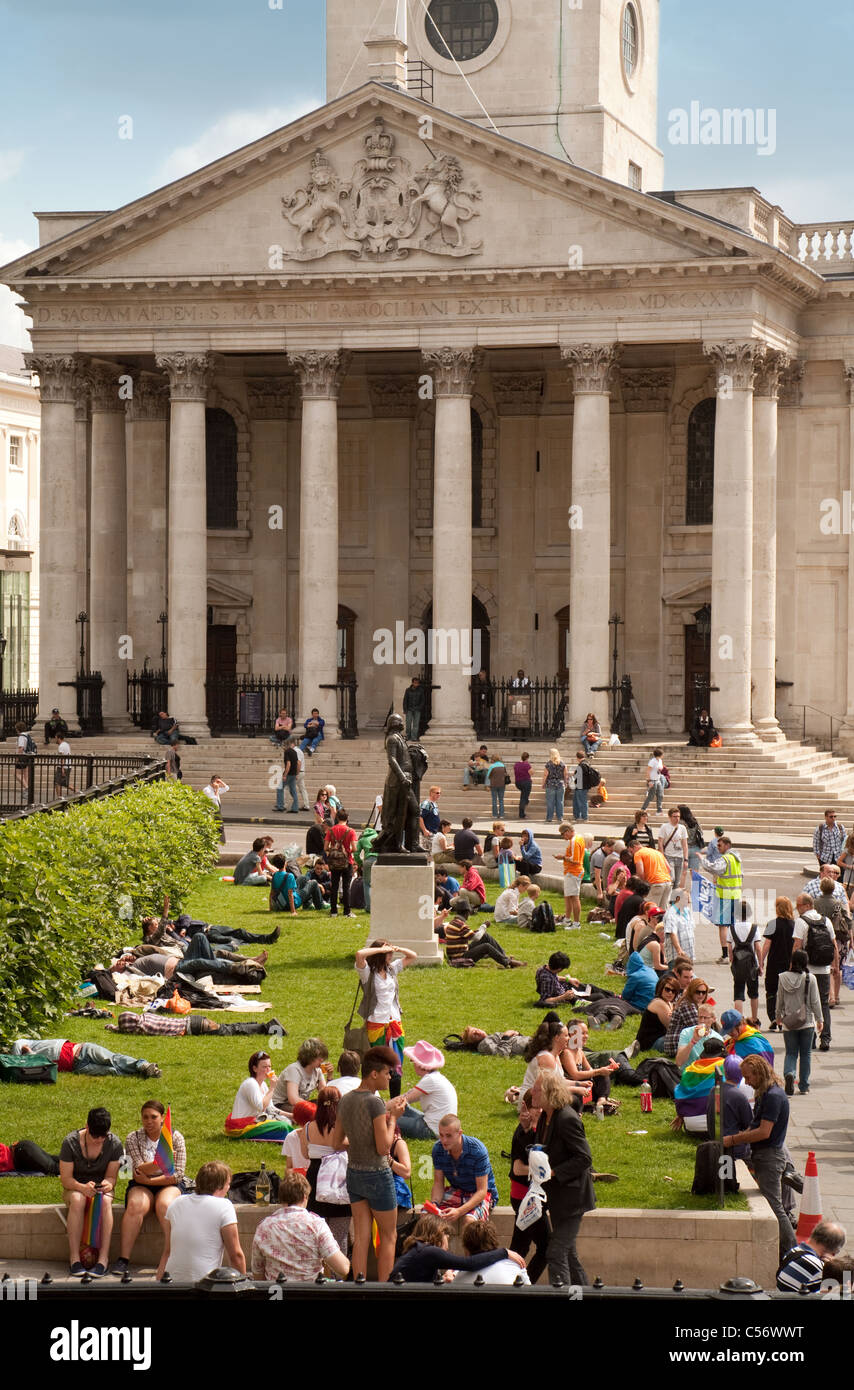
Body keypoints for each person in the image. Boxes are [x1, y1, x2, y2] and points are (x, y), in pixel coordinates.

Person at [331, 1045, 405, 1282]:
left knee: (361, 1238)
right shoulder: (375, 1103)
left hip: (354, 1174)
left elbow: (336, 1142)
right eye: (387, 1073)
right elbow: (384, 1148)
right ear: (374, 1073)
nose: (390, 1077)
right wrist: (393, 1118)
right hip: (377, 1175)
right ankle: (384, 1289)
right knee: (389, 1236)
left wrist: (358, 1144)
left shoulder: (345, 1100)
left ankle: (359, 1286)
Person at [722, 1055, 797, 1259]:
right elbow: (756, 1126)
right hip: (765, 1154)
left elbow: (764, 1132)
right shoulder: (766, 1093)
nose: (745, 1081)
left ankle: (792, 1251)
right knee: (773, 1204)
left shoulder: (773, 1096)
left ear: (759, 1073)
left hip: (770, 1157)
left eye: (747, 1077)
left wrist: (734, 1140)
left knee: (775, 1206)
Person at [531, 1070, 595, 1286]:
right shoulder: (545, 1118)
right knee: (568, 1254)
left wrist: (554, 1171)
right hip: (557, 1198)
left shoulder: (567, 1119)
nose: (533, 1092)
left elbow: (584, 1158)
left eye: (537, 1089)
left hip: (573, 1199)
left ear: (550, 1092)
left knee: (556, 1252)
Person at [110, 1100, 187, 1276]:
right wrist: (162, 1162)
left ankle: (171, 1255)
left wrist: (150, 1177)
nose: (149, 1121)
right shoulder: (133, 1137)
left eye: (153, 1117)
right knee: (136, 1205)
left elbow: (177, 1175)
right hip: (139, 1184)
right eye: (145, 1117)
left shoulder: (175, 1138)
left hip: (168, 1184)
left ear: (162, 1119)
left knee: (165, 1206)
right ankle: (123, 1259)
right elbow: (135, 1169)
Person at [251, 1169, 350, 1282]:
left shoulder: (264, 1227)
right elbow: (343, 1268)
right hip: (308, 1294)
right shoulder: (316, 1225)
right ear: (305, 1197)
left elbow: (258, 1273)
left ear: (281, 1197)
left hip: (277, 1295)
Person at [60, 1107, 124, 1276]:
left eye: (102, 1136)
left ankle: (103, 1259)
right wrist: (82, 1187)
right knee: (78, 1199)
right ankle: (74, 1258)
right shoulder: (70, 1142)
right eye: (94, 1136)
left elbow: (112, 1177)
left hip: (100, 1192)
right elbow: (66, 1179)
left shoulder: (114, 1144)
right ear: (86, 1127)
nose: (98, 1140)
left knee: (105, 1201)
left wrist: (107, 1185)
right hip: (75, 1188)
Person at [159, 1161, 245, 1283]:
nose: (229, 1188)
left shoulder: (176, 1203)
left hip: (171, 1282)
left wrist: (157, 1286)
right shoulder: (224, 1206)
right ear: (220, 1186)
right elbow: (236, 1256)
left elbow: (167, 1252)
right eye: (228, 1184)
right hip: (205, 1286)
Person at [355, 940, 417, 1098]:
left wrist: (397, 947)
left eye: (391, 952)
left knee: (396, 1066)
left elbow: (412, 956)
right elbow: (360, 954)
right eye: (388, 953)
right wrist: (378, 950)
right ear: (379, 954)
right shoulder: (367, 972)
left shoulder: (391, 970)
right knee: (378, 1067)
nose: (391, 955)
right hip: (376, 1024)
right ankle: (374, 1099)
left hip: (394, 1023)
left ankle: (395, 1101)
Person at [390, 1212, 525, 1283]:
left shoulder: (419, 1251)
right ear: (438, 1234)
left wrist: (443, 1279)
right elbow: (469, 1263)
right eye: (446, 1234)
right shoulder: (428, 1251)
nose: (447, 1238)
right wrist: (504, 1252)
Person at [296, 1085, 351, 1253]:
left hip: (315, 1178)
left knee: (316, 1231)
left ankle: (319, 1271)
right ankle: (338, 1274)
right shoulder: (343, 1126)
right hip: (339, 1179)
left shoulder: (307, 1128)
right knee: (339, 1234)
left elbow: (305, 1154)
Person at [429, 1115, 499, 1223]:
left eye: (448, 1136)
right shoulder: (438, 1149)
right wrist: (434, 1204)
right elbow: (438, 1184)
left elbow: (482, 1191)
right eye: (441, 1135)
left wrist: (459, 1211)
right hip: (457, 1191)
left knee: (469, 1221)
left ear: (459, 1133)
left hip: (481, 1194)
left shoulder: (477, 1150)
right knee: (430, 1218)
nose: (444, 1140)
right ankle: (441, 1240)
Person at [793, 892, 838, 1052]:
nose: (797, 909)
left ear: (807, 905)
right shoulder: (826, 921)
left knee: (807, 1004)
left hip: (807, 970)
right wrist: (836, 967)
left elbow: (797, 946)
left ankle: (810, 1039)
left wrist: (793, 968)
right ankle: (825, 1038)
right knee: (824, 1004)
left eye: (798, 906)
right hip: (825, 969)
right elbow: (834, 946)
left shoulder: (801, 921)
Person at [776, 949, 823, 1095]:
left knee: (790, 1053)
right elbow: (815, 1001)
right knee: (806, 1054)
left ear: (792, 961)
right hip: (807, 1022)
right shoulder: (810, 978)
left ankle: (789, 1073)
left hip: (789, 1022)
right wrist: (820, 1019)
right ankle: (803, 1085)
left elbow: (780, 1000)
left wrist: (778, 1016)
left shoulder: (782, 977)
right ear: (805, 962)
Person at [11, 1037, 160, 1079]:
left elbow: (19, 1044)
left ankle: (143, 1066)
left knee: (113, 1059)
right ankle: (141, 1073)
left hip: (83, 1050)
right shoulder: (35, 1066)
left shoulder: (30, 1044)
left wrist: (26, 1055)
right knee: (112, 1071)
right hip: (78, 1067)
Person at [397, 1040, 458, 1141]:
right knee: (403, 1109)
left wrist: (382, 1106)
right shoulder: (436, 1077)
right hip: (435, 1124)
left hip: (431, 1129)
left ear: (418, 1064)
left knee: (386, 1120)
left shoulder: (430, 1080)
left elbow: (404, 1099)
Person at [700, 835, 743, 962]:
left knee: (723, 926)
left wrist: (702, 860)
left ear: (727, 845)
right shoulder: (736, 859)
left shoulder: (726, 859)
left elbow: (713, 868)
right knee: (732, 925)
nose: (717, 847)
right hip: (735, 895)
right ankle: (734, 953)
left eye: (720, 845)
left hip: (725, 896)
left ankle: (725, 955)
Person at [776, 1221, 847, 1294]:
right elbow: (837, 1295)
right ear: (834, 1251)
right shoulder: (819, 1268)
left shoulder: (793, 1251)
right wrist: (834, 1266)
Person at [759, 896, 797, 1032]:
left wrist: (761, 961)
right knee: (787, 992)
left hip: (774, 963)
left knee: (771, 990)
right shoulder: (795, 925)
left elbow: (766, 945)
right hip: (789, 964)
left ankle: (774, 1017)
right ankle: (785, 1017)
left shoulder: (772, 924)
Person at [443, 914, 526, 970]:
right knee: (486, 946)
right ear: (466, 913)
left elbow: (470, 935)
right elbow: (476, 938)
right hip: (460, 957)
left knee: (485, 936)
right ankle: (508, 962)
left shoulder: (454, 922)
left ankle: (503, 957)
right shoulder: (460, 924)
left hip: (460, 952)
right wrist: (484, 926)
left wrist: (480, 929)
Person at [271, 1038, 330, 1112]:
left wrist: (329, 1076)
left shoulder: (317, 1070)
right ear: (310, 1057)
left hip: (300, 1103)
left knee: (327, 1106)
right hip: (281, 1104)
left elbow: (324, 1094)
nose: (322, 1060)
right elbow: (293, 1099)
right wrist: (311, 1106)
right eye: (319, 1058)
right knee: (311, 1112)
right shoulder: (294, 1070)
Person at [727, 901, 761, 1024]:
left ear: (736, 913)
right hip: (752, 965)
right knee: (754, 993)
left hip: (738, 964)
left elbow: (729, 948)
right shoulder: (754, 927)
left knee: (738, 993)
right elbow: (758, 947)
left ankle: (739, 1020)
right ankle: (754, 1019)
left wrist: (731, 960)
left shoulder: (731, 928)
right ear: (749, 913)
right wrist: (760, 965)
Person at [661, 977, 710, 1057]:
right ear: (691, 992)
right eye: (698, 992)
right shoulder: (687, 1006)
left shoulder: (694, 1003)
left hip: (682, 1041)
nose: (701, 995)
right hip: (675, 1045)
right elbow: (700, 1028)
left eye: (703, 992)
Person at [231, 1050, 285, 1120]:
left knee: (286, 1121)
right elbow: (262, 1107)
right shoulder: (250, 1083)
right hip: (242, 1124)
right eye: (264, 1067)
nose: (268, 1070)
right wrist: (272, 1089)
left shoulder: (263, 1084)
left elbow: (271, 1108)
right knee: (282, 1126)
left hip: (257, 1120)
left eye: (269, 1066)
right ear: (255, 1069)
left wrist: (291, 1115)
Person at [324, 808, 358, 917]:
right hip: (347, 861)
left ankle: (333, 911)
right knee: (346, 886)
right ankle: (347, 911)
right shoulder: (351, 831)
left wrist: (333, 851)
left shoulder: (331, 830)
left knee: (334, 886)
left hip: (334, 862)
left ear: (337, 818)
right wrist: (346, 851)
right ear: (347, 818)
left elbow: (325, 847)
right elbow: (354, 848)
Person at [635, 975, 678, 1051]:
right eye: (667, 989)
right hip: (649, 1043)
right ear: (661, 989)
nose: (670, 993)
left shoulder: (669, 1003)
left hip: (656, 1039)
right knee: (681, 1039)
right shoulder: (659, 1003)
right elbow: (672, 1028)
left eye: (673, 991)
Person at [632, 842, 674, 912]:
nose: (632, 854)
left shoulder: (638, 853)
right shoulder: (657, 852)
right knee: (663, 911)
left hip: (655, 883)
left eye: (631, 851)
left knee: (650, 910)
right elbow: (669, 869)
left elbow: (640, 872)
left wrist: (642, 885)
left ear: (634, 847)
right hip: (667, 883)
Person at [658, 807, 688, 889]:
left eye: (678, 816)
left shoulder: (682, 828)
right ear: (670, 817)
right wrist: (662, 856)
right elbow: (660, 842)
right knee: (671, 878)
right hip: (668, 856)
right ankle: (668, 897)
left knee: (677, 881)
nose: (677, 818)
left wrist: (686, 859)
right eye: (675, 816)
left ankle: (672, 900)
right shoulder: (664, 827)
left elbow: (685, 844)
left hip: (679, 856)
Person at [663, 887, 695, 963]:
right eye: (686, 898)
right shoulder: (671, 914)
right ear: (678, 899)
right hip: (677, 955)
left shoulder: (687, 910)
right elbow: (672, 933)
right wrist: (679, 950)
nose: (689, 901)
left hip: (689, 953)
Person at [274, 738, 300, 813]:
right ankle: (295, 808)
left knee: (279, 788)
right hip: (293, 774)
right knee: (293, 791)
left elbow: (288, 764)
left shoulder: (287, 752)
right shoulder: (294, 752)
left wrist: (284, 775)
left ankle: (280, 806)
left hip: (288, 774)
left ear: (285, 745)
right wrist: (297, 773)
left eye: (282, 746)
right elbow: (298, 763)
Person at [542, 747, 567, 823]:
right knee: (560, 801)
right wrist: (565, 783)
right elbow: (565, 775)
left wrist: (543, 783)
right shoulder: (562, 764)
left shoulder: (548, 764)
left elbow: (545, 775)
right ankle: (560, 817)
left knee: (550, 802)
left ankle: (549, 818)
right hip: (560, 784)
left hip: (550, 784)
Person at [641, 747, 666, 813]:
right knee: (651, 796)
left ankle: (659, 810)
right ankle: (643, 809)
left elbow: (661, 768)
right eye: (662, 754)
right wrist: (649, 781)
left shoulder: (660, 761)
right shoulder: (652, 761)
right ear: (660, 754)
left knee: (660, 795)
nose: (663, 755)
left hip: (658, 780)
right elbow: (648, 771)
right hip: (652, 780)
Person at [403, 676, 426, 741]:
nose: (416, 684)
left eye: (417, 683)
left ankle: (414, 737)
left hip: (417, 709)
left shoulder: (421, 690)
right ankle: (408, 736)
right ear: (412, 683)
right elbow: (405, 700)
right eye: (415, 682)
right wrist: (405, 709)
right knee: (408, 724)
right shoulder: (408, 690)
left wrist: (419, 708)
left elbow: (422, 700)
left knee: (416, 724)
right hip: (409, 709)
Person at [514, 750, 533, 818]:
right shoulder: (527, 764)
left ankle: (526, 801)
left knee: (523, 796)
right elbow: (531, 773)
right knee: (524, 798)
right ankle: (522, 814)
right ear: (527, 758)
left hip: (518, 783)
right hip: (526, 782)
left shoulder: (516, 764)